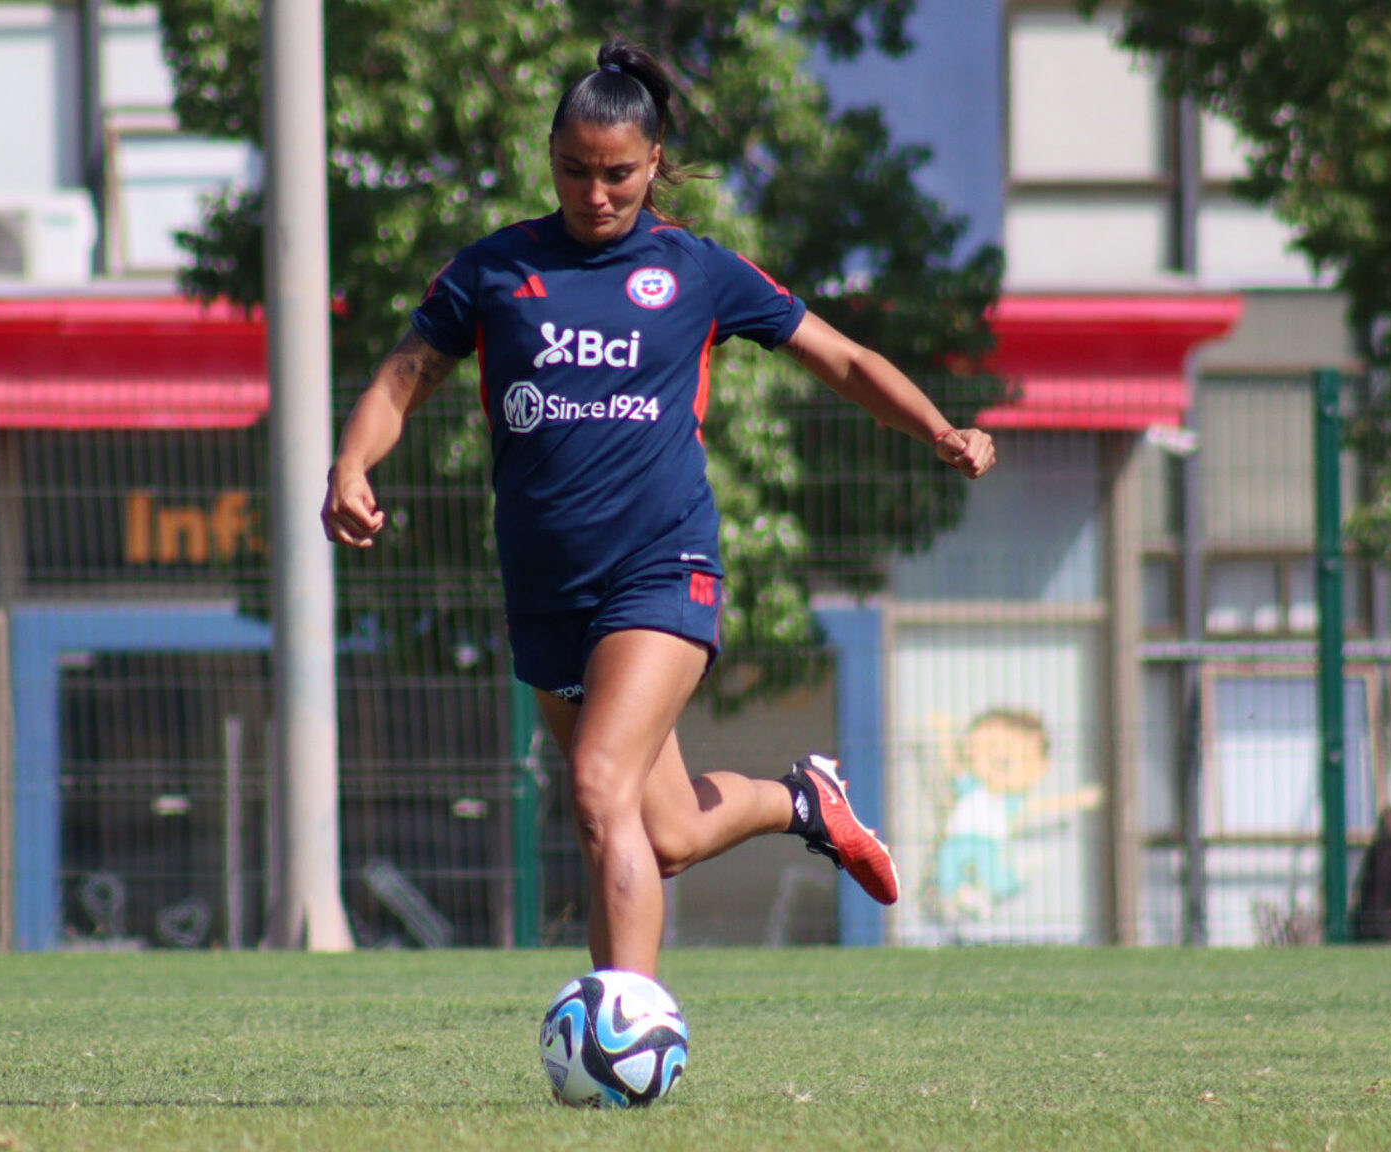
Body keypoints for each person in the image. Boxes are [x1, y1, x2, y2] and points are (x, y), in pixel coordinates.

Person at [320, 37, 996, 978]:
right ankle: (802, 802)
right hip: (548, 592)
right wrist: (351, 464)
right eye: (574, 171)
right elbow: (401, 378)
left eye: (619, 175)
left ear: (654, 166)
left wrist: (937, 429)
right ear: (549, 158)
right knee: (666, 833)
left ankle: (623, 1026)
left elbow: (839, 357)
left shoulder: (697, 270)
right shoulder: (493, 271)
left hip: (661, 570)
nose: (596, 194)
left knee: (601, 791)